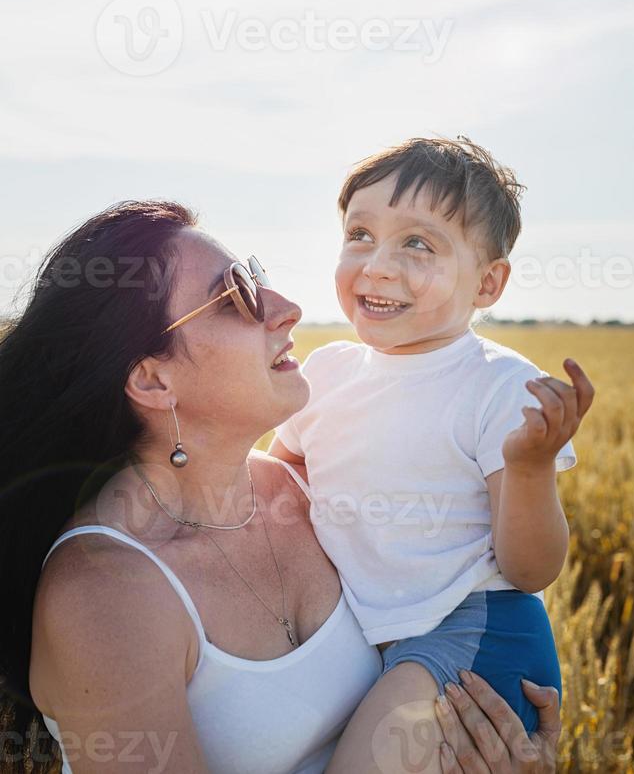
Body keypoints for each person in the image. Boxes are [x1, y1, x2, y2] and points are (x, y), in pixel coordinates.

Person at [0, 199, 563, 773]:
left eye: (258, 275)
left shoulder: (315, 492)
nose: (288, 309)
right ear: (153, 378)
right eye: (237, 295)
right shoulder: (105, 593)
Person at [269, 136, 594, 773]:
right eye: (360, 233)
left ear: (488, 282)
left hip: (475, 633)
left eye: (418, 244)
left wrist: (528, 469)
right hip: (367, 639)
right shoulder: (327, 372)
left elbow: (531, 570)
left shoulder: (500, 386)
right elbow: (272, 488)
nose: (378, 265)